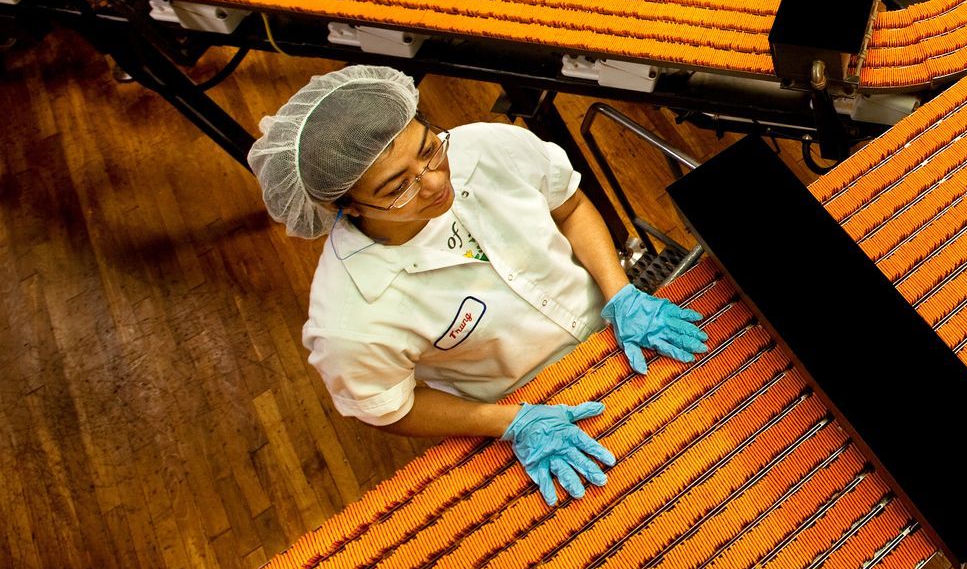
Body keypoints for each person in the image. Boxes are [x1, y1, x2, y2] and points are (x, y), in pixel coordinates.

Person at [248, 65, 709, 507]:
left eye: (429, 150)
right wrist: (511, 422)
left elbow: (568, 206)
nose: (434, 183)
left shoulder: (487, 147)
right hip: (533, 403)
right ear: (347, 208)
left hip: (619, 332)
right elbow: (389, 408)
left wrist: (620, 292)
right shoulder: (350, 318)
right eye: (397, 188)